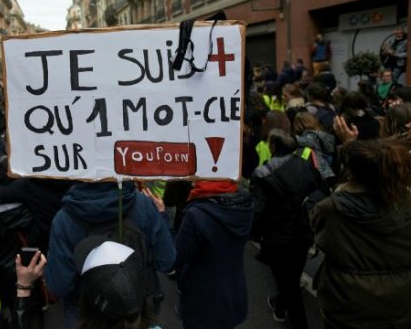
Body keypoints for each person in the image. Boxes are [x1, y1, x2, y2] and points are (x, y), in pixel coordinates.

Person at [45, 181, 175, 328]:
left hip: (86, 313)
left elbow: (59, 286)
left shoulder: (63, 219)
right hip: (137, 309)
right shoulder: (143, 204)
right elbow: (167, 261)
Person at [310, 139, 411, 328]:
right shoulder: (405, 202)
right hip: (398, 302)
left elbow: (317, 228)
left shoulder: (332, 208)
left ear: (350, 173)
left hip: (348, 304)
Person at [250, 129, 320, 329]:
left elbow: (259, 209)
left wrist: (254, 232)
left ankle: (299, 323)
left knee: (287, 283)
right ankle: (280, 306)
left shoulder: (263, 173)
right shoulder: (307, 166)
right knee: (292, 276)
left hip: (277, 236)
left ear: (273, 147)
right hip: (303, 232)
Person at [174, 180, 253, 329]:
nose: (192, 182)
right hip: (233, 295)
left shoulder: (196, 214)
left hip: (201, 301)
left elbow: (175, 257)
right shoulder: (245, 206)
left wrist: (163, 216)